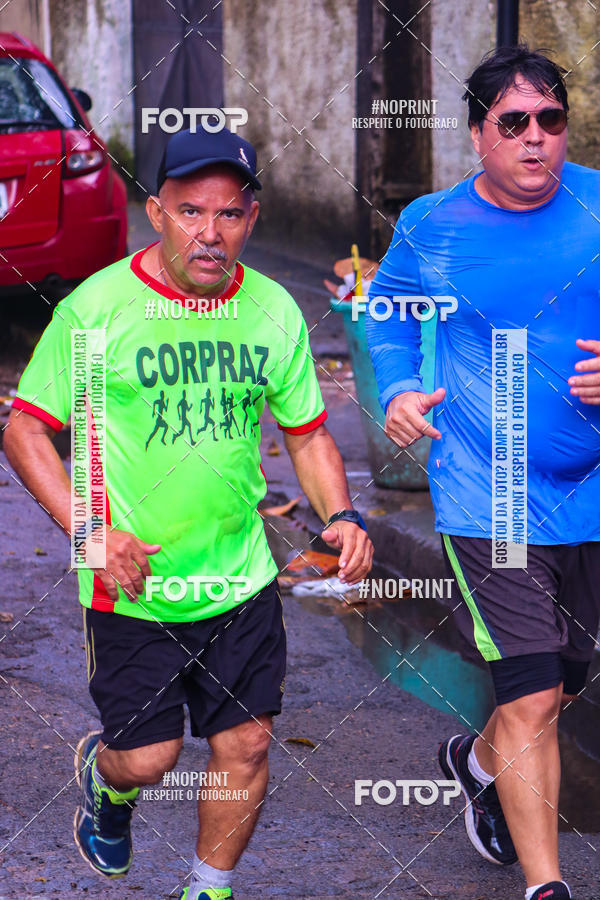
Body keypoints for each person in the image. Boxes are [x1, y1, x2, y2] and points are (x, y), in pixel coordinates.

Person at [4, 125, 373, 900]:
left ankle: (209, 888)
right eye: (190, 211)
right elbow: (26, 429)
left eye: (230, 213)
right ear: (156, 213)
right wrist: (89, 534)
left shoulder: (272, 311)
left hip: (240, 578)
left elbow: (307, 435)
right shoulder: (97, 311)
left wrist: (344, 515)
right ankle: (107, 781)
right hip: (134, 585)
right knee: (149, 759)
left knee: (247, 747)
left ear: (252, 218)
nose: (210, 232)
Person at [366, 45, 600, 900]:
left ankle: (474, 762)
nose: (536, 137)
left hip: (590, 493)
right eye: (515, 122)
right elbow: (388, 315)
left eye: (551, 119)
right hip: (488, 492)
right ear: (477, 134)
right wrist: (397, 389)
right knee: (532, 694)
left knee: (563, 684)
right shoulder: (433, 225)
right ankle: (547, 886)